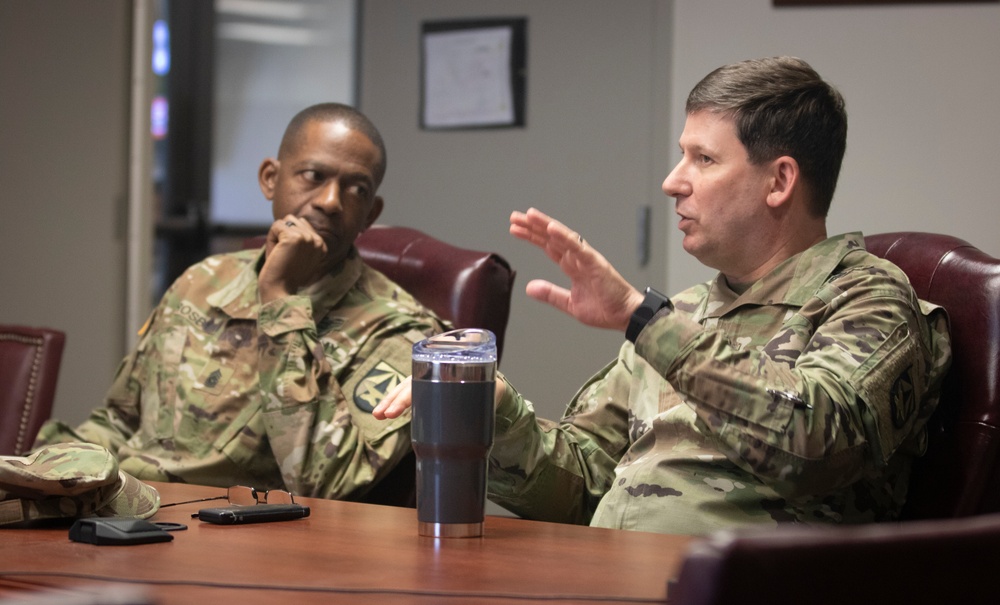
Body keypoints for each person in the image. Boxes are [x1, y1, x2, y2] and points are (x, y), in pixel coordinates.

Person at [374, 57, 952, 534]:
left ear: (779, 181)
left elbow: (819, 444)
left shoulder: (868, 297)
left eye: (703, 159)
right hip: (605, 577)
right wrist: (492, 410)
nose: (673, 181)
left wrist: (639, 316)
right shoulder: (685, 313)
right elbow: (584, 485)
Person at [35, 103, 446, 502]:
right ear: (270, 178)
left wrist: (280, 298)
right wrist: (50, 471)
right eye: (313, 175)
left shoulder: (406, 334)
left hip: (233, 538)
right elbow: (119, 420)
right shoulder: (204, 281)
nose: (330, 201)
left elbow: (325, 487)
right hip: (126, 511)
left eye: (356, 189)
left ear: (370, 214)